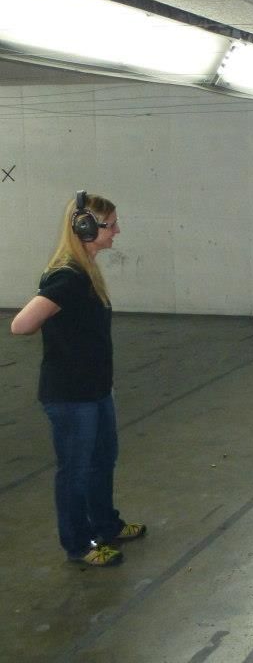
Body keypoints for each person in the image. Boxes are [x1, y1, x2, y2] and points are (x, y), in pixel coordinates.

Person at [10, 191, 145, 567]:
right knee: (76, 471)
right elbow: (21, 325)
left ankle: (106, 524)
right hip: (71, 397)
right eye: (111, 224)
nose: (117, 231)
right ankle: (79, 545)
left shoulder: (87, 270)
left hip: (96, 391)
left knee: (103, 460)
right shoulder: (68, 277)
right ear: (85, 227)